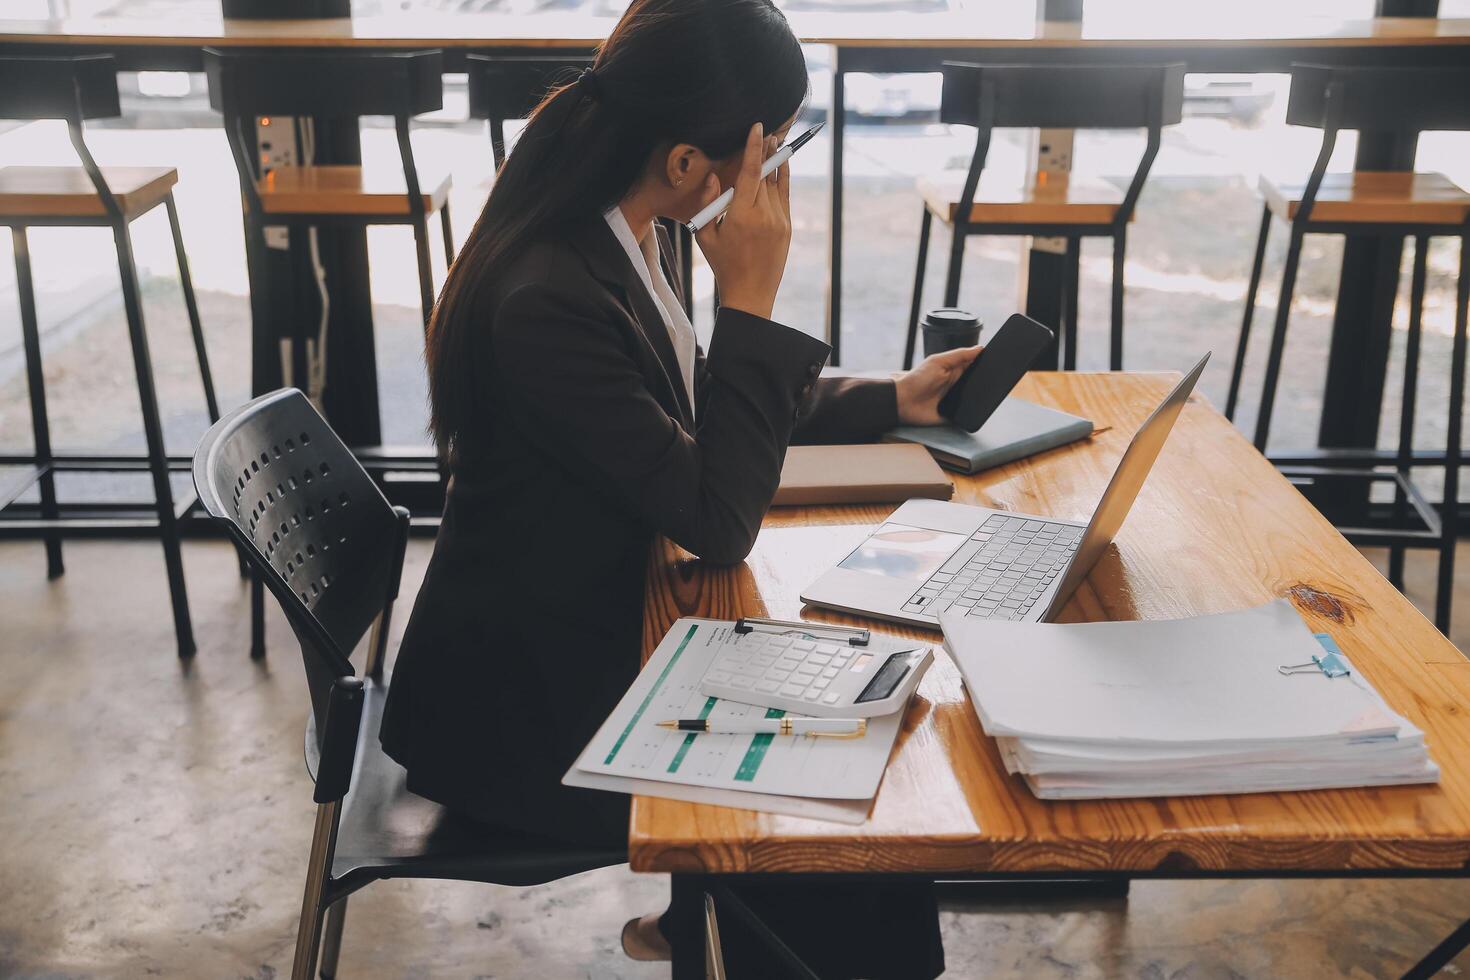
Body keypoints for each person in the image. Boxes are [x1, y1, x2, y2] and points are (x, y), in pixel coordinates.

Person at [380, 0, 975, 973]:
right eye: (771, 150)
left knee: (859, 710)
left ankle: (726, 916)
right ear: (694, 164)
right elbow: (717, 515)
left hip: (594, 630)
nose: (775, 177)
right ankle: (736, 919)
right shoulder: (549, 298)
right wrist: (751, 294)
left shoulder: (625, 229)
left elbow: (695, 405)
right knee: (848, 771)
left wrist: (888, 395)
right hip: (526, 717)